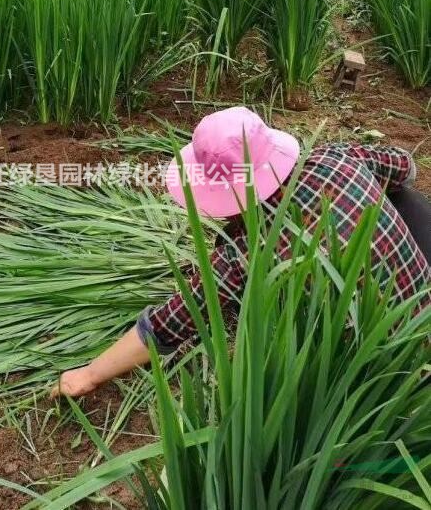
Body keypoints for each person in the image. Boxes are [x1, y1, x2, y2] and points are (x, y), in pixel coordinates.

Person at [51, 106, 431, 398]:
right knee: (409, 201)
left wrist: (89, 374)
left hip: (385, 377)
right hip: (419, 317)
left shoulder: (247, 251)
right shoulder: (335, 158)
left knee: (266, 307)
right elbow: (405, 166)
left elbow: (169, 323)